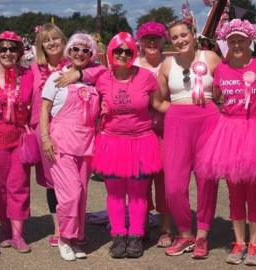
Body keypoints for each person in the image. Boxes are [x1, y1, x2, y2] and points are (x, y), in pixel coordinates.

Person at [196, 18, 256, 265]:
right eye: (232, 40)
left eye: (241, 39)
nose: (237, 44)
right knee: (234, 193)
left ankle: (253, 244)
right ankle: (239, 242)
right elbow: (213, 97)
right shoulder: (221, 69)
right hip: (229, 133)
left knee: (254, 192)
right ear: (226, 43)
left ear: (251, 40)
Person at [92, 32, 168, 259]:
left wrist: (189, 109)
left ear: (134, 52)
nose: (123, 55)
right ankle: (118, 236)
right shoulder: (103, 78)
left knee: (137, 193)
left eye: (127, 51)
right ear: (111, 53)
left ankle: (135, 236)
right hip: (112, 141)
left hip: (141, 141)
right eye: (118, 50)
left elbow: (158, 104)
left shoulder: (145, 77)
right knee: (114, 193)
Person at [157, 19, 221, 259]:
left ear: (193, 35)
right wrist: (176, 112)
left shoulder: (211, 58)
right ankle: (185, 234)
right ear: (170, 41)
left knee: (207, 180)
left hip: (208, 121)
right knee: (173, 185)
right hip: (177, 124)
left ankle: (202, 235)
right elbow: (158, 100)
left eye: (184, 35)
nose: (180, 40)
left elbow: (224, 89)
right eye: (175, 37)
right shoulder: (166, 65)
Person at [40, 32, 101, 261]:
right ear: (69, 51)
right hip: (61, 143)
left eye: (86, 50)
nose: (80, 53)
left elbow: (106, 71)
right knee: (70, 194)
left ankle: (75, 238)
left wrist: (82, 73)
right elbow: (44, 109)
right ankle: (64, 238)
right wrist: (45, 138)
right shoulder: (57, 77)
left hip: (86, 144)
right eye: (75, 49)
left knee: (82, 194)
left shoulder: (93, 77)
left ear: (91, 54)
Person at [0, 31, 34, 253]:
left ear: (20, 52)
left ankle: (18, 235)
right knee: (0, 187)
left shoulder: (29, 75)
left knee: (19, 184)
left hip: (20, 136)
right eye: (3, 49)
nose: (8, 53)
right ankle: (4, 230)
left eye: (12, 49)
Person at [134, 21, 173, 247]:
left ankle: (166, 228)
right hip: (139, 132)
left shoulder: (171, 64)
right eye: (147, 38)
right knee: (141, 181)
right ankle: (144, 224)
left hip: (167, 131)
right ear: (139, 41)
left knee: (165, 181)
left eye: (156, 38)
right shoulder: (133, 64)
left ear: (162, 41)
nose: (151, 42)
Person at [30, 23, 68, 247]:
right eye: (46, 40)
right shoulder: (34, 68)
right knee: (52, 182)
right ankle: (58, 227)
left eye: (56, 38)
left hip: (69, 129)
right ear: (40, 45)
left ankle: (73, 223)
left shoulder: (74, 65)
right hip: (43, 129)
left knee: (71, 180)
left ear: (63, 40)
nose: (52, 43)